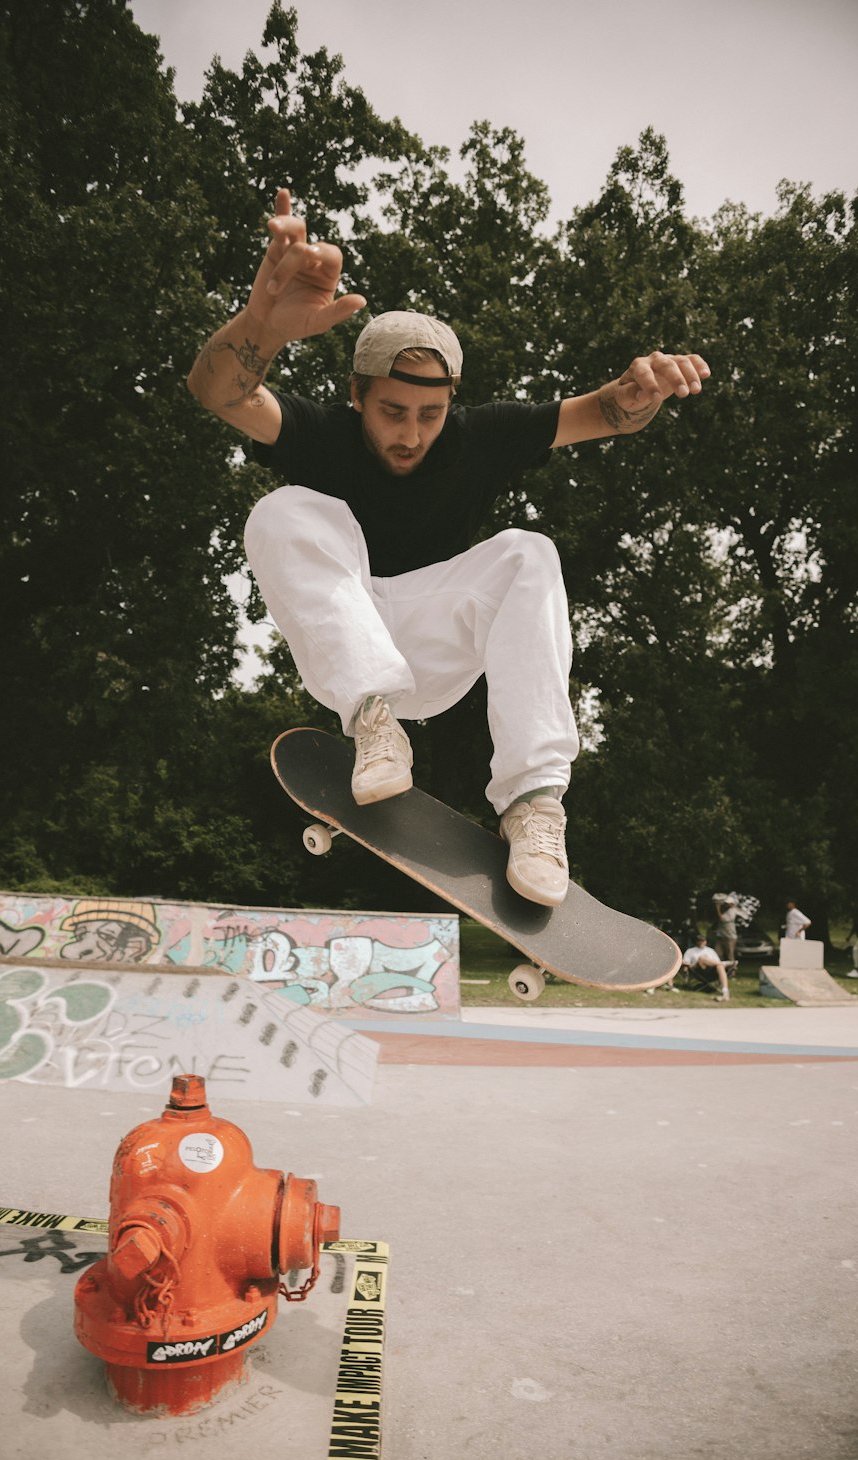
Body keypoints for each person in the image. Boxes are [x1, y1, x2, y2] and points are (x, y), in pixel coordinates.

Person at [187, 188, 711, 907]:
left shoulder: (479, 436)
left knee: (529, 552)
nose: (410, 433)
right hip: (351, 644)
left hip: (437, 646)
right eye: (392, 412)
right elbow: (218, 392)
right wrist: (260, 326)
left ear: (451, 404)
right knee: (281, 511)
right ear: (357, 396)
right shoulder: (318, 433)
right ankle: (376, 724)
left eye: (430, 415)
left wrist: (637, 394)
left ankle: (533, 804)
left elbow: (604, 413)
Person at [680, 934, 731, 1000]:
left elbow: (716, 962)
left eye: (702, 940)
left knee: (720, 966)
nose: (701, 942)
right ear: (696, 941)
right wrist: (687, 968)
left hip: (711, 971)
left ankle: (725, 991)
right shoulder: (690, 951)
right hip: (698, 970)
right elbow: (685, 962)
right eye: (699, 940)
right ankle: (725, 963)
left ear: (706, 941)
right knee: (702, 958)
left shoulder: (711, 950)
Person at [713, 892, 738, 965]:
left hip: (730, 937)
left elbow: (721, 919)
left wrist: (717, 908)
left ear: (732, 904)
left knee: (730, 955)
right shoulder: (725, 910)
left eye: (728, 903)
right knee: (717, 953)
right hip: (721, 936)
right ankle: (719, 969)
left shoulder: (732, 911)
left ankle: (732, 970)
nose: (726, 904)